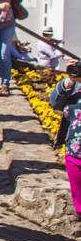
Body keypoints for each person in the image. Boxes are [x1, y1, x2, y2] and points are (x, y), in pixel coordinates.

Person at [49, 61, 81, 218]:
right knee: (80, 204)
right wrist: (69, 81)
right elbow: (55, 103)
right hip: (74, 153)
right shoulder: (75, 87)